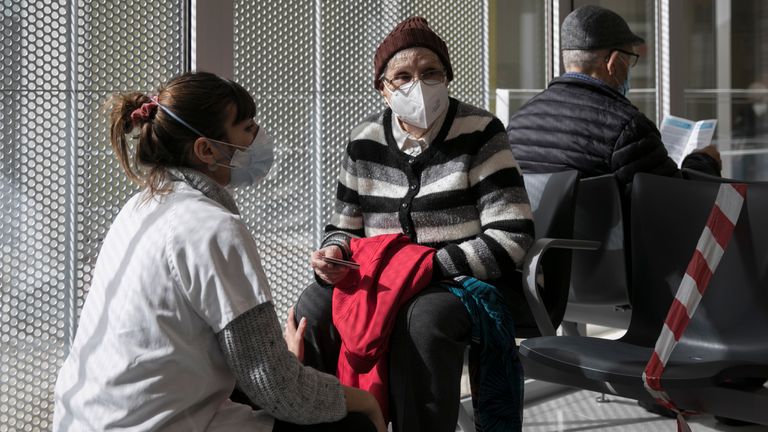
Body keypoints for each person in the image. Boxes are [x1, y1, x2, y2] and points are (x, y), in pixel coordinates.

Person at [53, 71, 386, 432]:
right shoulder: (213, 228)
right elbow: (275, 387)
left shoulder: (140, 207)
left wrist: (280, 363)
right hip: (157, 424)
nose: (258, 137)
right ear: (206, 150)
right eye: (246, 128)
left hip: (85, 420)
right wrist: (364, 400)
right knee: (352, 423)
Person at [294, 17, 534, 432]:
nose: (417, 85)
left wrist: (425, 269)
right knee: (314, 306)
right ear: (384, 89)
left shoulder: (480, 132)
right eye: (402, 76)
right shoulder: (365, 139)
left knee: (423, 319)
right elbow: (344, 231)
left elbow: (512, 235)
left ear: (447, 78)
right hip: (385, 279)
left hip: (462, 281)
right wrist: (335, 254)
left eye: (430, 73)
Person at [506, 5, 721, 194]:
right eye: (630, 59)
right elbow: (674, 198)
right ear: (614, 62)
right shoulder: (627, 128)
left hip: (541, 240)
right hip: (610, 242)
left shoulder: (518, 123)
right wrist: (703, 161)